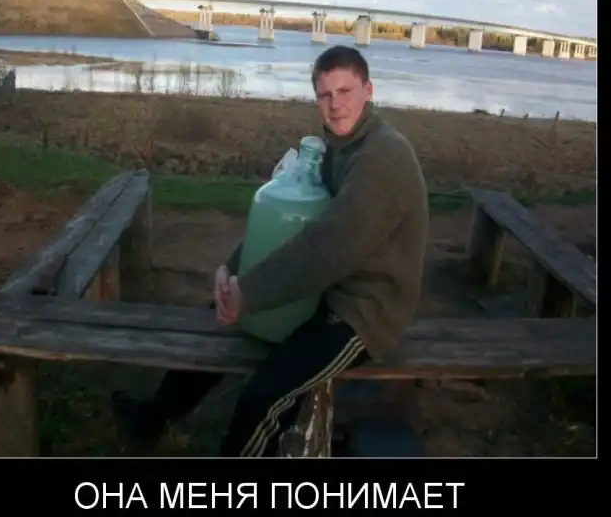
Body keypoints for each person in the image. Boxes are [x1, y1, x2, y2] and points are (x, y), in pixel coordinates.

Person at [112, 45, 429, 457]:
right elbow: (284, 227)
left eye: (345, 92)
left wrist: (251, 290)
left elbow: (329, 246)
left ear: (368, 91)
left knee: (267, 395)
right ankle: (153, 418)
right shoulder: (334, 149)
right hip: (324, 288)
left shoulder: (383, 156)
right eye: (325, 94)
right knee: (217, 319)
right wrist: (232, 271)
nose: (335, 105)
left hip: (363, 310)